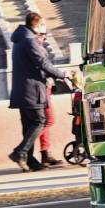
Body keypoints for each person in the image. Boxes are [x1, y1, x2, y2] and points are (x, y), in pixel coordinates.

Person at [8, 12, 68, 171]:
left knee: (28, 125)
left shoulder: (20, 39)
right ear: (38, 25)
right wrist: (63, 74)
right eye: (43, 26)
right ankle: (19, 153)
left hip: (22, 90)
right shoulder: (30, 40)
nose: (44, 29)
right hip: (32, 90)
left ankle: (31, 161)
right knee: (40, 120)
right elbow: (42, 63)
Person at [34, 28, 63, 168]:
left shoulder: (38, 48)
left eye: (44, 36)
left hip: (46, 87)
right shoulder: (35, 49)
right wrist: (61, 75)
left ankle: (45, 152)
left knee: (46, 121)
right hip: (42, 88)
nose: (44, 38)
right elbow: (44, 67)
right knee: (48, 120)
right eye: (41, 35)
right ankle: (38, 151)